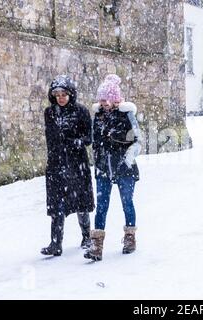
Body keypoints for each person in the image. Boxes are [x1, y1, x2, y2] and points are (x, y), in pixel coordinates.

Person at [84, 74, 141, 261]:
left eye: (107, 98)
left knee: (127, 203)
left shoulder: (126, 113)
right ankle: (96, 245)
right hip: (103, 168)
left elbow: (135, 137)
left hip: (124, 167)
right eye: (101, 99)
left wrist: (114, 137)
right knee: (101, 206)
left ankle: (130, 237)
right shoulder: (98, 115)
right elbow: (95, 139)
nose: (104, 102)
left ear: (115, 99)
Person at [41, 75, 95, 256]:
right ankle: (56, 243)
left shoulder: (81, 112)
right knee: (57, 204)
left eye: (64, 93)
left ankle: (87, 236)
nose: (61, 97)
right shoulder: (50, 113)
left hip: (76, 163)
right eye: (57, 94)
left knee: (80, 201)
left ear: (70, 94)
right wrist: (53, 160)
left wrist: (76, 143)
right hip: (56, 164)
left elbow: (89, 137)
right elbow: (51, 139)